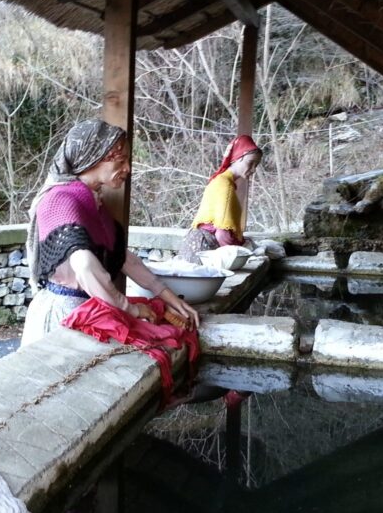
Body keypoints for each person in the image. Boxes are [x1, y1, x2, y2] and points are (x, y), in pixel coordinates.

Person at [22, 118, 200, 346]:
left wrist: (166, 294)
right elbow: (84, 265)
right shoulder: (61, 201)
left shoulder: (90, 202)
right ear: (95, 157)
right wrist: (131, 309)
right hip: (63, 315)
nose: (127, 168)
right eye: (121, 160)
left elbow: (121, 257)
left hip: (84, 310)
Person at [178, 134, 262, 262]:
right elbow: (222, 233)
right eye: (250, 163)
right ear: (238, 158)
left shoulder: (222, 181)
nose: (253, 169)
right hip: (203, 247)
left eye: (256, 165)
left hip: (198, 245)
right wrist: (237, 257)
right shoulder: (224, 185)